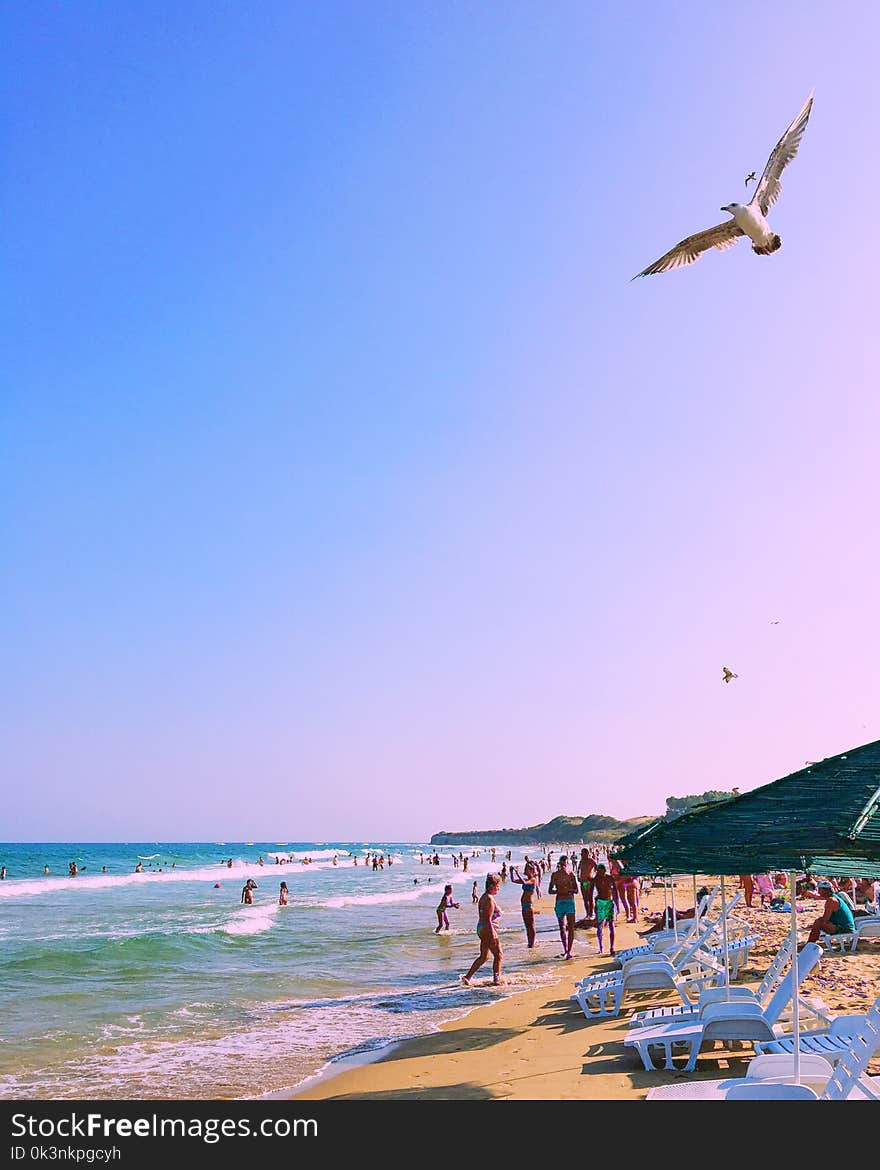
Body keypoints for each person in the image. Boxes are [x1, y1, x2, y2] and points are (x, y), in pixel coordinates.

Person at [461, 874, 503, 986]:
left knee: (484, 956)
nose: (498, 888)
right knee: (498, 955)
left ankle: (467, 977)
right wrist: (493, 933)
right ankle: (496, 980)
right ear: (491, 886)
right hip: (488, 928)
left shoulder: (483, 897)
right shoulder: (489, 899)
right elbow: (488, 918)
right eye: (497, 886)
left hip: (481, 928)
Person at [548, 855, 578, 959]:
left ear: (567, 863)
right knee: (562, 928)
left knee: (571, 927)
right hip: (560, 902)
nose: (564, 865)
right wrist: (559, 891)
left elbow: (576, 890)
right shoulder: (554, 875)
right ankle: (565, 949)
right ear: (560, 863)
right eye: (562, 863)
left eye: (565, 863)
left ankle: (569, 951)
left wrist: (568, 890)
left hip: (569, 901)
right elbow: (550, 890)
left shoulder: (571, 874)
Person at [510, 865, 538, 948]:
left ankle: (532, 943)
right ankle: (530, 943)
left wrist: (517, 873)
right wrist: (511, 871)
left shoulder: (533, 880)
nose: (525, 870)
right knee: (527, 925)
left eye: (527, 869)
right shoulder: (526, 879)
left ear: (531, 871)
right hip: (524, 905)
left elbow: (525, 883)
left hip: (529, 905)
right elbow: (513, 880)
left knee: (531, 925)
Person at [593, 863, 617, 955]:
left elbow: (615, 891)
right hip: (600, 902)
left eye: (601, 871)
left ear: (604, 870)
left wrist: (616, 904)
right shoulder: (596, 879)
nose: (600, 873)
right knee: (600, 925)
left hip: (608, 902)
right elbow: (590, 890)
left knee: (611, 925)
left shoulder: (609, 878)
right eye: (598, 871)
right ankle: (601, 947)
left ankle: (612, 947)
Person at [578, 849, 595, 916]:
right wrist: (578, 877)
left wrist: (593, 876)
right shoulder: (581, 861)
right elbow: (578, 869)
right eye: (581, 854)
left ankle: (591, 913)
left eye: (582, 853)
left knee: (590, 897)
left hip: (589, 882)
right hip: (583, 882)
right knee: (585, 898)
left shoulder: (591, 861)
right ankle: (587, 913)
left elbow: (597, 868)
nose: (581, 855)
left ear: (587, 853)